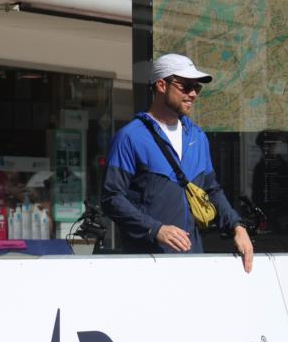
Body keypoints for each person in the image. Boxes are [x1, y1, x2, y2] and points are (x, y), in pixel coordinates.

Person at [102, 54, 254, 270]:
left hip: (192, 261)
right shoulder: (130, 137)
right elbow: (112, 198)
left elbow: (212, 190)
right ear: (161, 85)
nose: (193, 94)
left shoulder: (197, 137)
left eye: (197, 87)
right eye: (186, 86)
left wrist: (237, 227)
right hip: (148, 263)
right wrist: (155, 229)